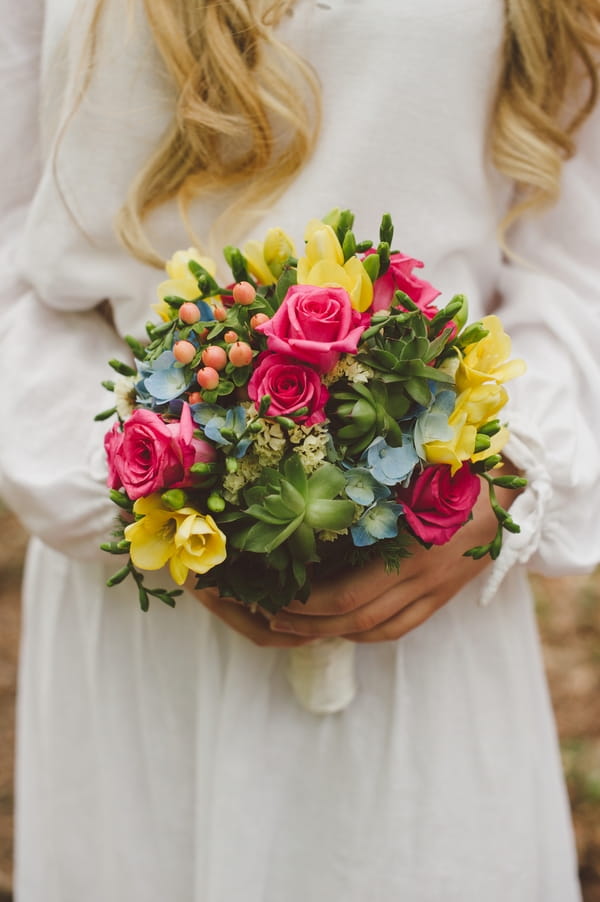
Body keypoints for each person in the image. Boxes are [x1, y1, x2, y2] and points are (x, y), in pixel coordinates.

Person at [1, 0, 599, 899]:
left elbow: (576, 264)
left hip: (425, 600)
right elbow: (15, 243)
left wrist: (507, 474)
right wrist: (142, 480)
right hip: (145, 605)